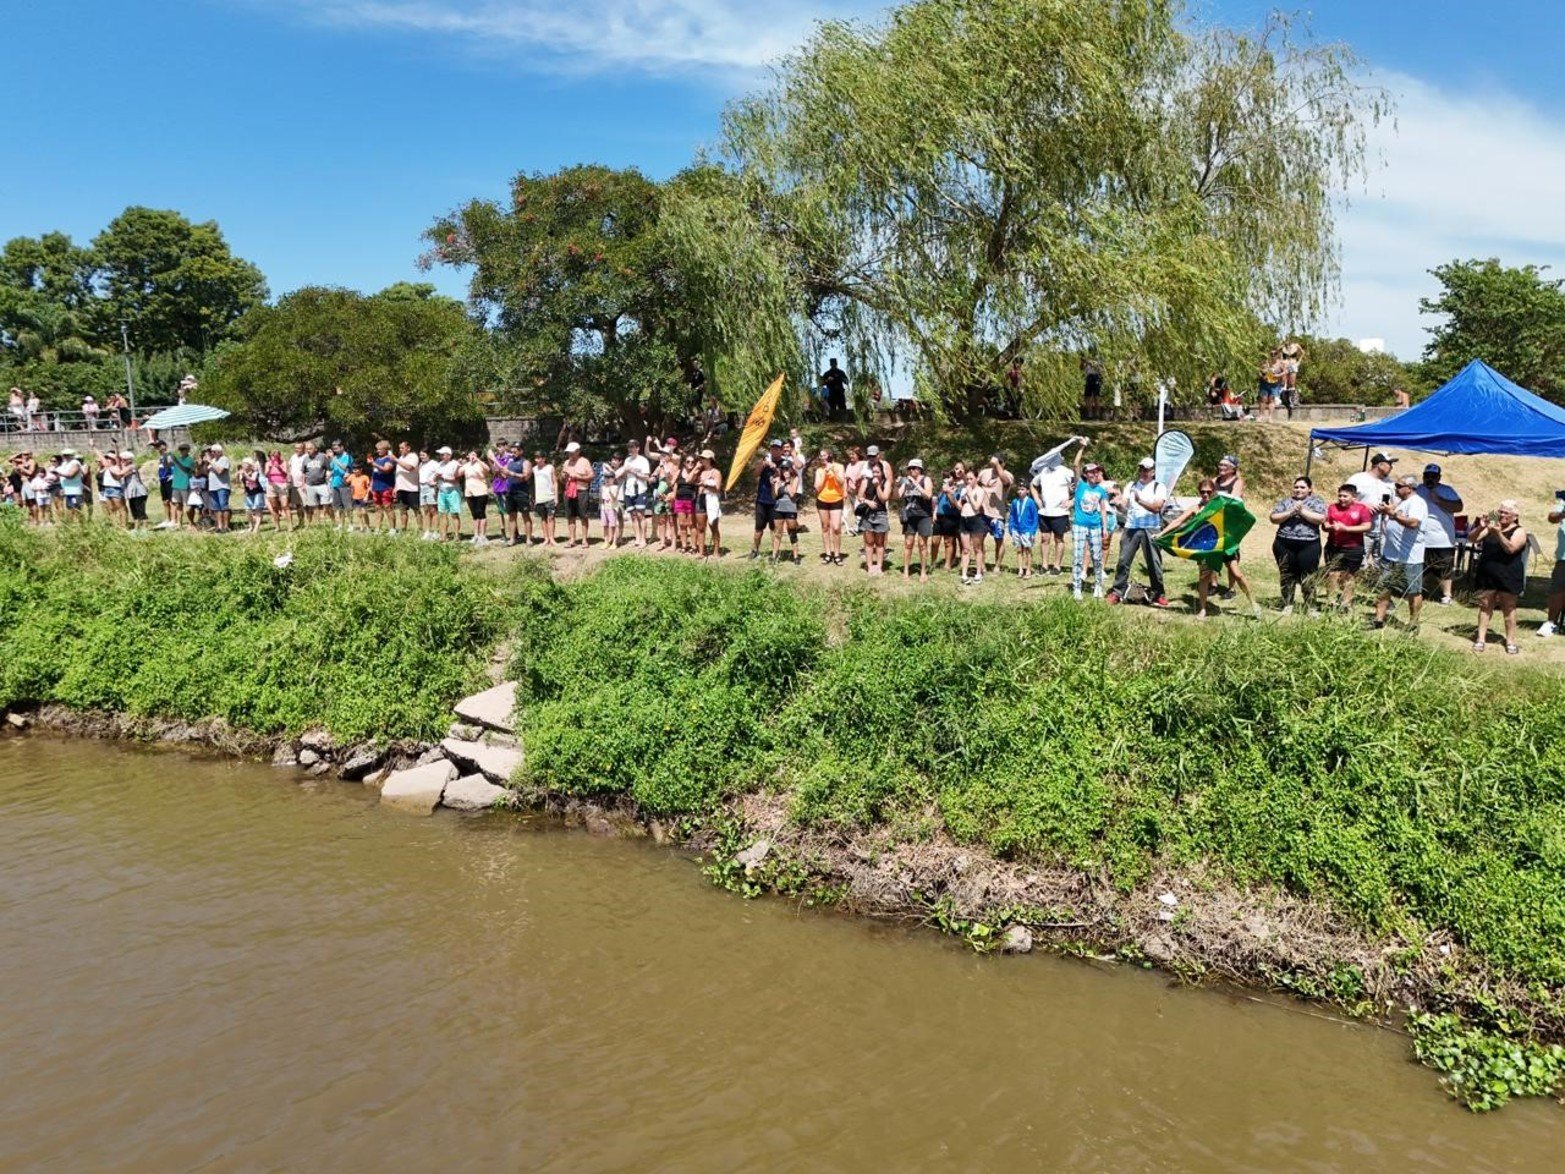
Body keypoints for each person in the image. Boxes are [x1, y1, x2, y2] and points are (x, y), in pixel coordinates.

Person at [1104, 457, 1168, 605]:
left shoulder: (1159, 487)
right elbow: (1124, 506)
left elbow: (1156, 507)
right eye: (1141, 469)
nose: (1143, 472)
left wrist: (1139, 501)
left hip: (1151, 528)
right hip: (1131, 526)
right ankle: (1117, 592)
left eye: (1147, 469)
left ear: (1153, 472)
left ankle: (1158, 593)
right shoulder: (1131, 485)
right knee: (1123, 561)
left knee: (1154, 562)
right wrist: (1116, 503)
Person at [1468, 501, 1527, 653]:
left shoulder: (1520, 531)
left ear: (1515, 516)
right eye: (1500, 512)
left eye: (1506, 513)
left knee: (1509, 608)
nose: (1501, 515)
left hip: (1508, 574)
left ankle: (1511, 641)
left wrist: (1498, 533)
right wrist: (1481, 526)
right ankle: (1480, 639)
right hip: (1488, 573)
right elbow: (1472, 539)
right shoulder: (1492, 524)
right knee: (1485, 606)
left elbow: (1511, 549)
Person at [1372, 475, 1429, 630]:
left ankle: (1414, 623)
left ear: (1409, 488)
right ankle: (1378, 619)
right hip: (1390, 555)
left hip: (1409, 557)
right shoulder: (1402, 502)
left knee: (1413, 591)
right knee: (1384, 587)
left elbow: (1413, 522)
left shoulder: (1418, 502)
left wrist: (1393, 514)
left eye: (1399, 485)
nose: (1396, 488)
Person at [1269, 476, 1327, 614]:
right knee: (1286, 574)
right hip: (1284, 543)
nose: (1298, 490)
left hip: (1309, 544)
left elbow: (1320, 518)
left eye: (1302, 487)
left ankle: (1311, 606)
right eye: (1296, 487)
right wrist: (1291, 512)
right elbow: (1273, 517)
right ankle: (1288, 604)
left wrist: (1302, 511)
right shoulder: (1285, 502)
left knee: (1308, 576)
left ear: (1309, 489)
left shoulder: (1316, 502)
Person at [1414, 463, 1463, 605]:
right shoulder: (1417, 490)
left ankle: (1446, 595)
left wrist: (1439, 500)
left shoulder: (1447, 490)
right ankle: (1415, 591)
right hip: (1421, 537)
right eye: (1427, 476)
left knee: (1444, 568)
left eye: (1433, 477)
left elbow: (1459, 507)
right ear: (1423, 477)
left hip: (1442, 538)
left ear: (1439, 477)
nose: (1430, 479)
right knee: (1419, 566)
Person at [1321, 483, 1374, 611]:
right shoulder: (1332, 507)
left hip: (1353, 547)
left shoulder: (1362, 509)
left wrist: (1346, 528)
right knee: (1332, 574)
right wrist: (1326, 526)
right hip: (1333, 546)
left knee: (1348, 576)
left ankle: (1346, 604)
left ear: (1354, 497)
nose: (1341, 499)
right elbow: (1325, 523)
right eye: (1340, 496)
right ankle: (1331, 602)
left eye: (1345, 496)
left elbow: (1367, 526)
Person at [1070, 448, 1111, 600]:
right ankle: (1077, 588)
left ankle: (1098, 585)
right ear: (1086, 474)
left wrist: (1105, 527)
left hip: (1095, 526)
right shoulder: (1080, 485)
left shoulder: (1101, 490)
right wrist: (1081, 447)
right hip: (1080, 525)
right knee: (1078, 556)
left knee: (1097, 557)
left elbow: (1103, 509)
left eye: (1097, 472)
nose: (1095, 474)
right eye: (1092, 472)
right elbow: (1075, 465)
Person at [1031, 448, 1076, 576]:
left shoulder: (1067, 472)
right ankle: (1044, 565)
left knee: (1059, 539)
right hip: (1045, 512)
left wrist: (1071, 502)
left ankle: (1057, 566)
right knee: (1044, 538)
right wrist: (1037, 499)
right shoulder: (1043, 471)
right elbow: (1033, 485)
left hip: (1060, 512)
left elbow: (1079, 488)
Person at [1347, 452, 1398, 562]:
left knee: (1381, 566)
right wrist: (1363, 506)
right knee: (1359, 563)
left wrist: (1388, 508)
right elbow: (1344, 500)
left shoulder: (1390, 484)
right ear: (1380, 465)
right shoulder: (1357, 479)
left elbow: (1396, 503)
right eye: (1389, 464)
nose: (1391, 468)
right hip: (1361, 532)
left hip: (1383, 533)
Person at [977, 454, 1014, 574]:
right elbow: (976, 486)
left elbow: (1006, 482)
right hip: (982, 513)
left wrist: (997, 464)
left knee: (999, 540)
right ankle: (981, 565)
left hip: (998, 514)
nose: (995, 464)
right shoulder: (984, 473)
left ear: (1004, 464)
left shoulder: (1007, 475)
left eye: (1000, 462)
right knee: (979, 540)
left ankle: (997, 565)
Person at [813, 446, 846, 566]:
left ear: (830, 455)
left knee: (836, 527)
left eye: (824, 455)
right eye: (820, 456)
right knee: (825, 527)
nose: (822, 457)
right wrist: (825, 475)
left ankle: (837, 554)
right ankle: (828, 553)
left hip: (836, 499)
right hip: (822, 499)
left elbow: (842, 482)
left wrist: (834, 472)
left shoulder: (839, 467)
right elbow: (817, 488)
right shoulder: (819, 470)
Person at [618, 438, 652, 548]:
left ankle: (643, 539)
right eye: (629, 447)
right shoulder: (627, 460)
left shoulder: (643, 460)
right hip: (628, 490)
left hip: (640, 490)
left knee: (640, 515)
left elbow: (647, 477)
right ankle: (637, 538)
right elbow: (624, 475)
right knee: (633, 515)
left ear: (638, 448)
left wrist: (633, 471)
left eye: (632, 447)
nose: (630, 449)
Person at [561, 441, 594, 547]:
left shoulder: (584, 462)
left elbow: (591, 477)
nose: (570, 454)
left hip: (581, 491)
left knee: (583, 516)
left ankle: (584, 540)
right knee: (570, 516)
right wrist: (563, 476)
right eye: (568, 452)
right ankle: (572, 539)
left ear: (578, 451)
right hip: (569, 491)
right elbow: (562, 478)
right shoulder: (566, 463)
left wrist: (578, 477)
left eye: (572, 452)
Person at [1541, 495, 1565, 639]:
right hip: (1564, 556)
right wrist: (1562, 514)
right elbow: (1551, 518)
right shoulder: (1563, 501)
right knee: (1557, 590)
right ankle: (1551, 623)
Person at [1007, 481, 1040, 578]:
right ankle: (1020, 569)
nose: (1020, 492)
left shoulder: (1030, 502)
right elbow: (1012, 516)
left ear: (1027, 491)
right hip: (1017, 529)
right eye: (1018, 489)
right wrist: (1011, 527)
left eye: (1022, 489)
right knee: (1018, 550)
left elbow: (1035, 518)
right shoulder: (1014, 502)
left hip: (1027, 530)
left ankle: (1028, 569)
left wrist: (1032, 531)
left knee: (1028, 550)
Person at [461, 450, 492, 544]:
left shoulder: (481, 464)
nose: (472, 456)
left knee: (481, 513)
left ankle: (483, 536)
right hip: (469, 492)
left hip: (481, 491)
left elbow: (488, 470)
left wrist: (478, 460)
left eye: (474, 454)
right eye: (470, 454)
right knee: (474, 514)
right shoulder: (466, 465)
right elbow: (458, 473)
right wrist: (458, 464)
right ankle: (476, 535)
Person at [697, 448, 723, 557]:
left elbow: (717, 488)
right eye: (701, 458)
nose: (701, 460)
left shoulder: (716, 472)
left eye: (704, 458)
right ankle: (701, 552)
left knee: (713, 525)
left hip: (711, 498)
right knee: (701, 527)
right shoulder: (700, 472)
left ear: (710, 459)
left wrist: (705, 483)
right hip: (701, 498)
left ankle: (716, 551)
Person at [434, 446, 463, 541]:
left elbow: (456, 479)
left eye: (443, 454)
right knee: (442, 514)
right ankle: (443, 536)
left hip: (453, 492)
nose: (441, 456)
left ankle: (457, 535)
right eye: (440, 454)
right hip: (442, 492)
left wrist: (443, 477)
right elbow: (435, 477)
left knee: (454, 514)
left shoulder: (455, 464)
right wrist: (434, 480)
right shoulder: (439, 464)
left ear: (449, 455)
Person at [368, 441, 397, 533]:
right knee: (377, 508)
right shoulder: (376, 460)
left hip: (386, 487)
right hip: (376, 488)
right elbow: (374, 475)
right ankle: (377, 529)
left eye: (380, 449)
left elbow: (386, 469)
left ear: (386, 449)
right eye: (377, 449)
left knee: (388, 507)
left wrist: (374, 464)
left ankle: (392, 529)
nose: (378, 451)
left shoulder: (389, 459)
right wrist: (371, 487)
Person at [531, 449, 558, 547]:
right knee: (543, 518)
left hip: (550, 497)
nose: (537, 460)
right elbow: (532, 484)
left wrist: (556, 497)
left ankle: (552, 538)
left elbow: (555, 482)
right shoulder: (534, 469)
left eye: (539, 458)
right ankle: (546, 538)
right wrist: (533, 498)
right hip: (539, 498)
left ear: (544, 458)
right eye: (536, 458)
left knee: (550, 518)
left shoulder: (550, 468)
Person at [394, 441, 421, 535]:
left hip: (412, 488)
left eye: (402, 448)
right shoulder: (401, 458)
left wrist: (395, 459)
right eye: (399, 448)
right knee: (402, 510)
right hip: (401, 488)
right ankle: (403, 530)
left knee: (416, 510)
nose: (400, 450)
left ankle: (420, 529)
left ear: (408, 448)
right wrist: (395, 487)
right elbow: (398, 474)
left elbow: (409, 467)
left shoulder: (413, 456)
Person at [328, 440, 354, 530]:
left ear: (342, 447)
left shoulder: (347, 456)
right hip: (335, 483)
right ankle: (341, 525)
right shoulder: (334, 457)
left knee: (347, 506)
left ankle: (351, 524)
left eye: (336, 448)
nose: (335, 450)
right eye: (333, 449)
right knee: (338, 507)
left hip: (344, 484)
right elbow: (332, 468)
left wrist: (334, 459)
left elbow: (346, 468)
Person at [168, 442, 195, 528]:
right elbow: (167, 466)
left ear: (188, 450)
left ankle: (191, 523)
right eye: (180, 449)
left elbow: (186, 470)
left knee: (188, 505)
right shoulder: (178, 459)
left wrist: (176, 461)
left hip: (185, 484)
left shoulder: (190, 460)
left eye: (183, 449)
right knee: (178, 504)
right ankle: (179, 522)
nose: (181, 451)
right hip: (176, 484)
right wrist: (167, 457)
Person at [207, 443, 232, 533]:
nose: (212, 453)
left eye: (213, 451)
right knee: (216, 508)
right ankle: (219, 526)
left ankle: (226, 526)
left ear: (219, 452)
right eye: (211, 451)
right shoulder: (213, 461)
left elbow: (220, 471)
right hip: (213, 487)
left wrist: (211, 462)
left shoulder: (224, 459)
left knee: (224, 506)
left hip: (222, 486)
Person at [264, 450, 292, 531]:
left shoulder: (284, 463)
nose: (275, 457)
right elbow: (266, 475)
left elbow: (285, 474)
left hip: (282, 484)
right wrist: (269, 469)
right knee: (274, 506)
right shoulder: (268, 463)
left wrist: (279, 467)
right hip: (271, 485)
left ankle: (290, 525)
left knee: (285, 505)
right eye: (273, 455)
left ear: (279, 455)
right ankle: (277, 526)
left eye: (276, 455)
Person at [417, 449, 439, 540]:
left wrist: (434, 480)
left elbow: (439, 473)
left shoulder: (434, 463)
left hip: (430, 488)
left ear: (428, 455)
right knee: (425, 510)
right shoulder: (421, 464)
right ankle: (427, 531)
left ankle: (436, 532)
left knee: (433, 510)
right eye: (420, 455)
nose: (421, 457)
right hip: (422, 488)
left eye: (423, 455)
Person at [1256, 350, 1283, 422]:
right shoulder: (1265, 361)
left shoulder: (1280, 363)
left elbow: (1285, 371)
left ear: (1277, 355)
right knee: (1263, 399)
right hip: (1264, 383)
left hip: (1274, 384)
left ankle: (1270, 417)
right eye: (1272, 354)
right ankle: (1260, 416)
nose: (1273, 355)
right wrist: (1261, 376)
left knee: (1271, 399)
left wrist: (1278, 375)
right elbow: (1259, 370)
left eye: (1275, 353)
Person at [1081, 354, 1103, 421]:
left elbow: (1101, 369)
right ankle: (1089, 415)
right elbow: (1081, 368)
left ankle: (1097, 415)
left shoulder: (1098, 358)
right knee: (1087, 397)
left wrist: (1090, 362)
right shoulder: (1086, 358)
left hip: (1096, 377)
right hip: (1088, 377)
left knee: (1096, 397)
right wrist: (1083, 362)